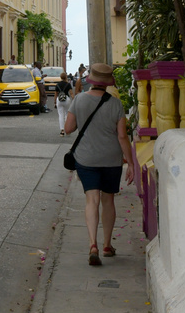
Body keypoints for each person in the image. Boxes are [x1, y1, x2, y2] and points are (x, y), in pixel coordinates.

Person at [64, 63, 134, 266]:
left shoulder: (79, 100)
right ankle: (107, 245)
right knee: (108, 201)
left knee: (91, 200)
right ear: (107, 83)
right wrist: (130, 163)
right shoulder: (116, 104)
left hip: (86, 158)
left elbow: (68, 128)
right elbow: (122, 137)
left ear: (91, 79)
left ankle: (92, 244)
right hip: (111, 159)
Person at [54, 70, 74, 135]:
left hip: (59, 100)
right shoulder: (68, 84)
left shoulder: (57, 85)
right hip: (66, 99)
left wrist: (55, 102)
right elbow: (71, 93)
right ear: (66, 77)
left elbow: (56, 94)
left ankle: (62, 130)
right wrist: (74, 100)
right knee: (66, 114)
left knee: (60, 115)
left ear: (60, 77)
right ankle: (67, 129)